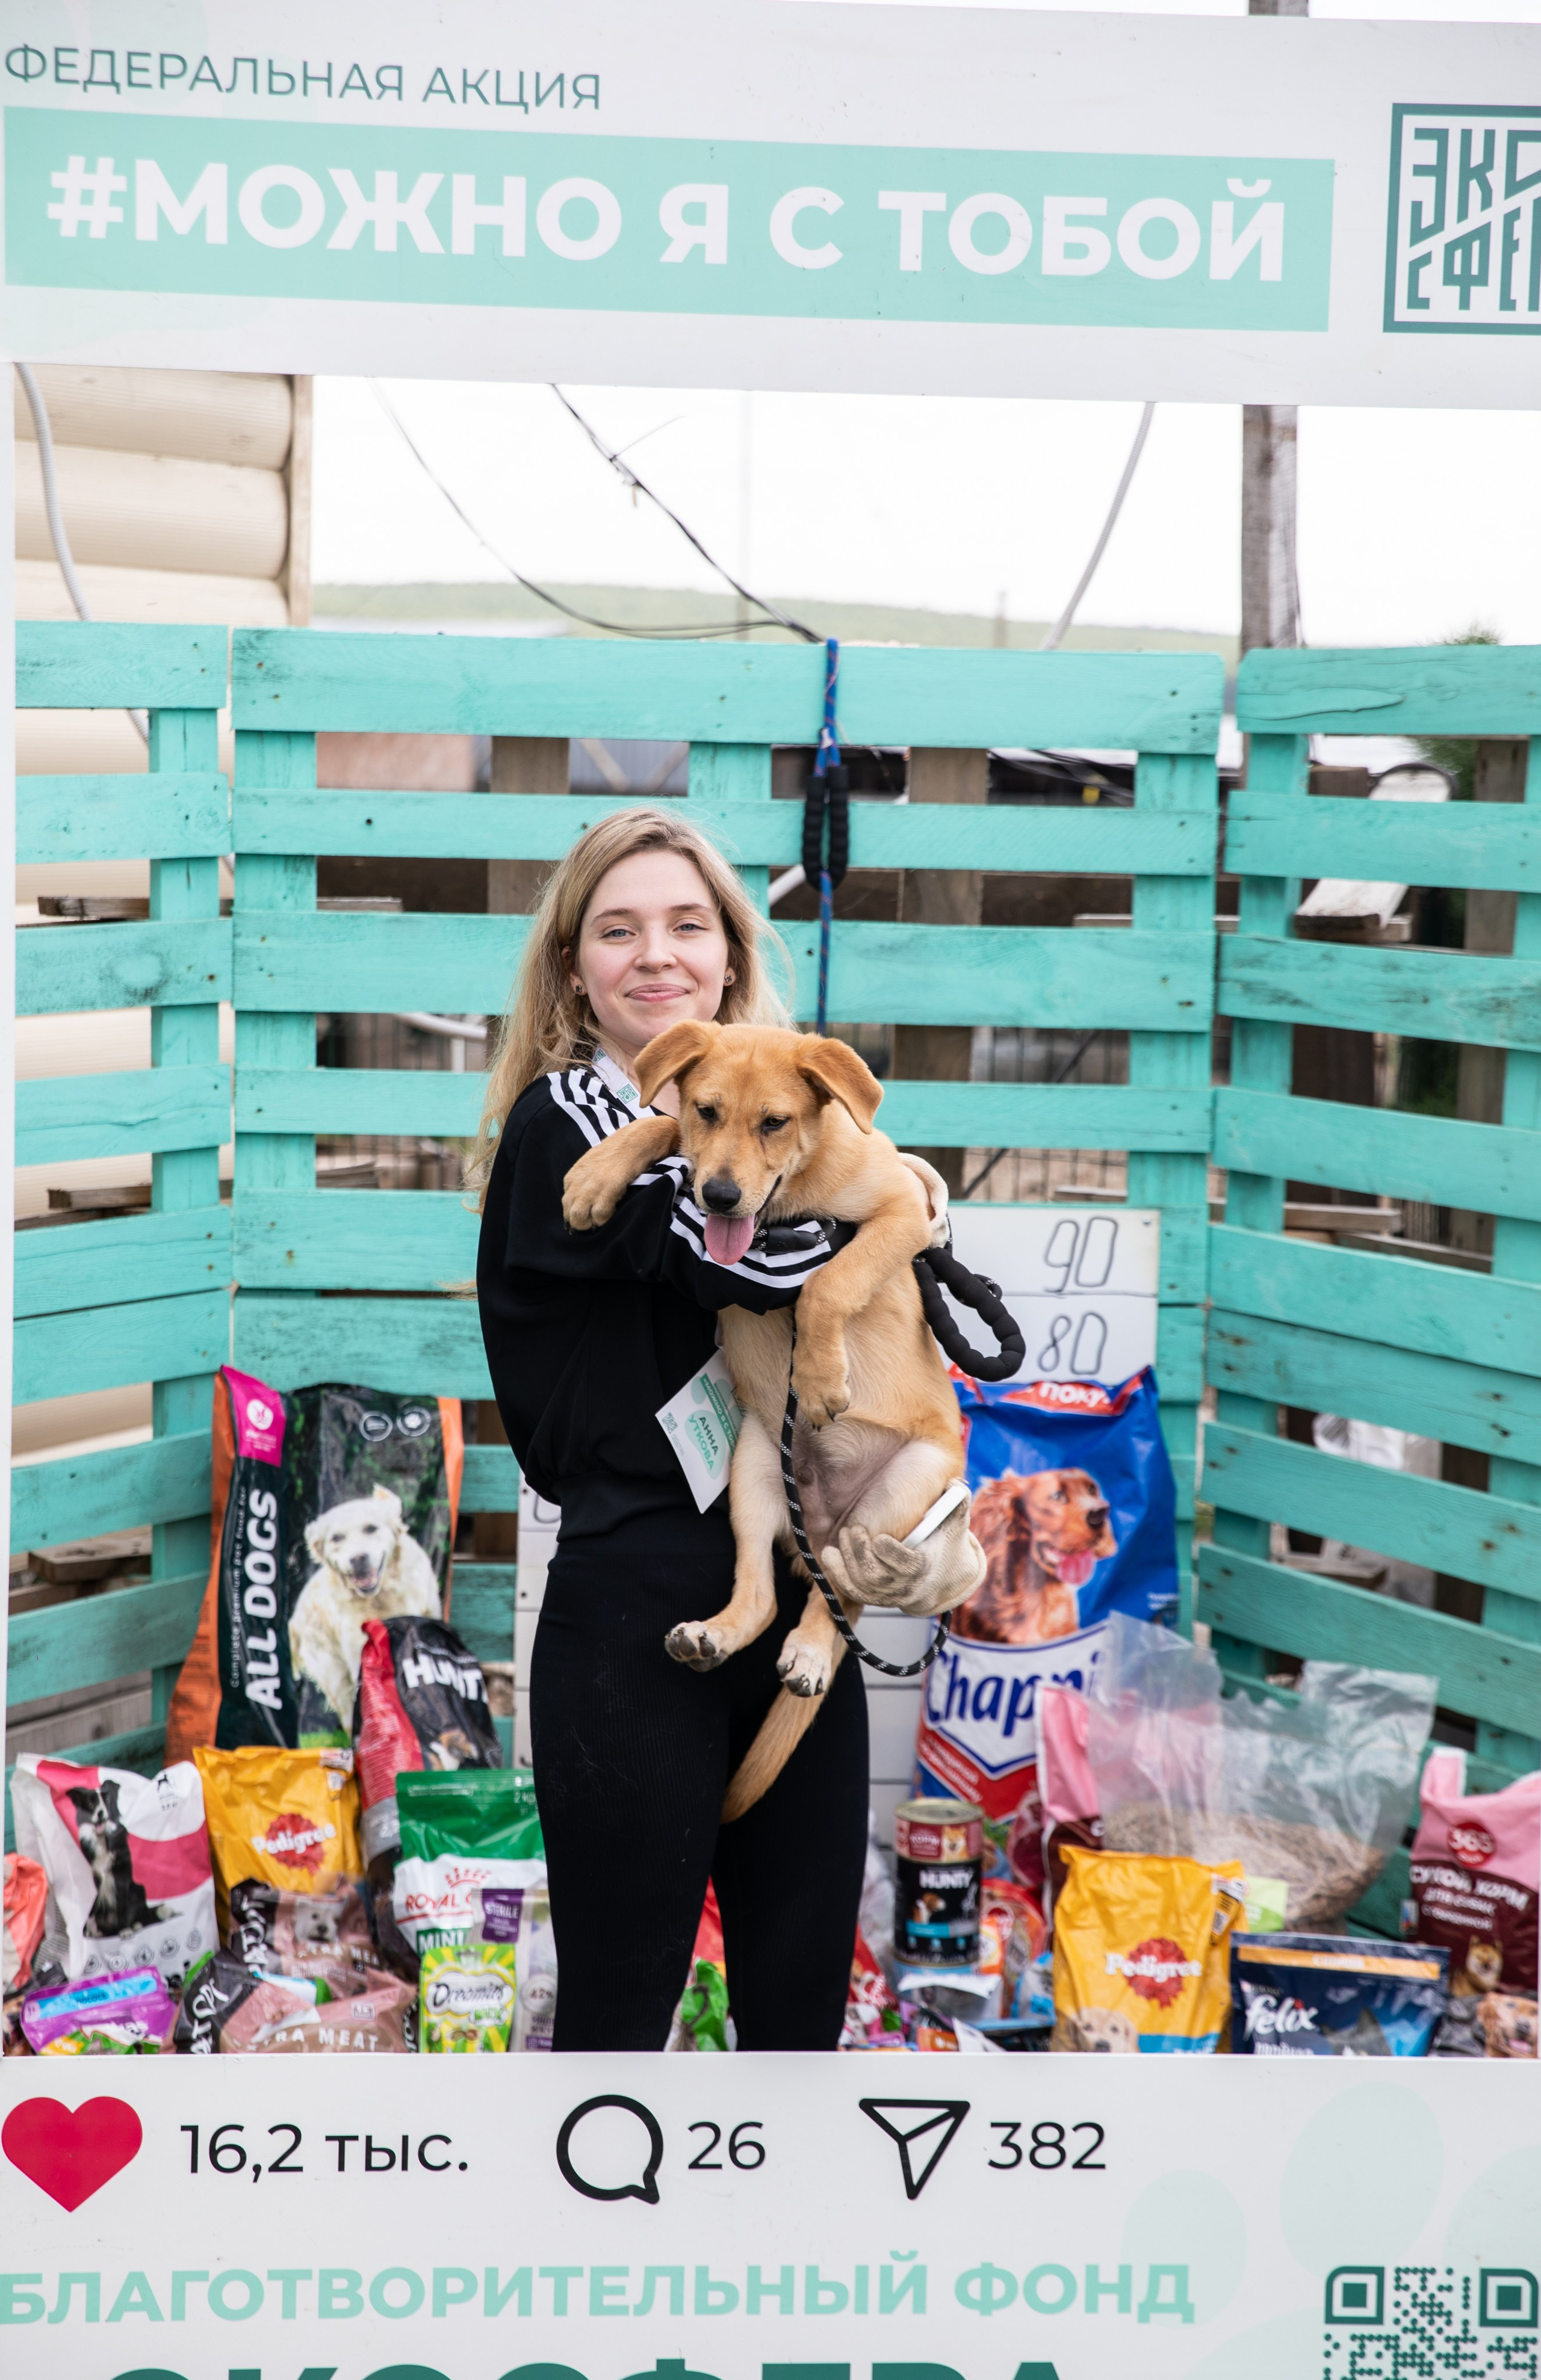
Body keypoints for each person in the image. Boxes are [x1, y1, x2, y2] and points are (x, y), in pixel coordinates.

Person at [474, 808, 958, 2050]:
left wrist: (892, 1185)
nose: (655, 954)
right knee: (620, 2021)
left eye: (688, 926)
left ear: (731, 956)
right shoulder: (567, 1123)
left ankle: (789, 2242)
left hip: (798, 1599)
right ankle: (592, 2242)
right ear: (572, 966)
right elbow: (746, 1251)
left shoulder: (779, 1108)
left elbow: (826, 1209)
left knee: (801, 2019)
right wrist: (895, 1192)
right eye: (617, 929)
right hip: (634, 1604)